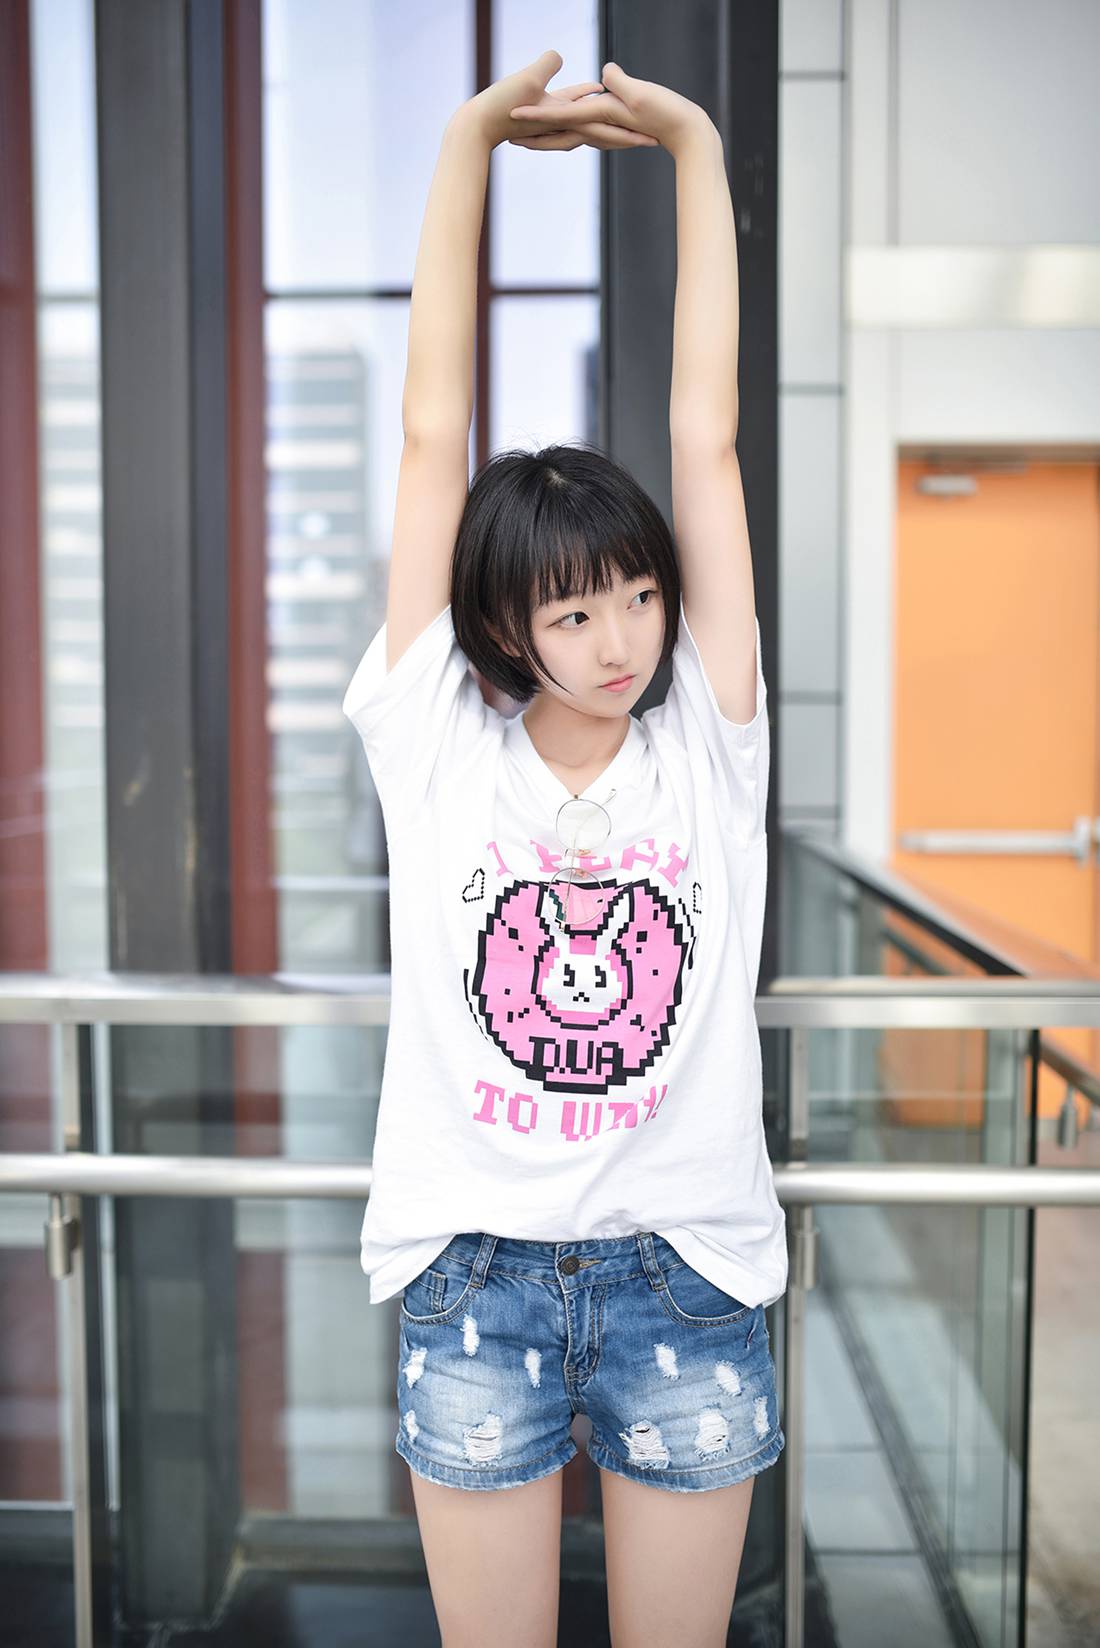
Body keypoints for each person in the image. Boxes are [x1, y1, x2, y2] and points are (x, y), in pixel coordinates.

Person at [342, 50, 787, 1648]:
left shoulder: (707, 745)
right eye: (578, 611)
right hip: (480, 1275)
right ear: (504, 630)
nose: (623, 638)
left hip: (686, 1271)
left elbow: (707, 436)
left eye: (642, 596)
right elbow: (429, 434)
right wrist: (467, 141)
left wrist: (693, 146)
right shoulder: (440, 746)